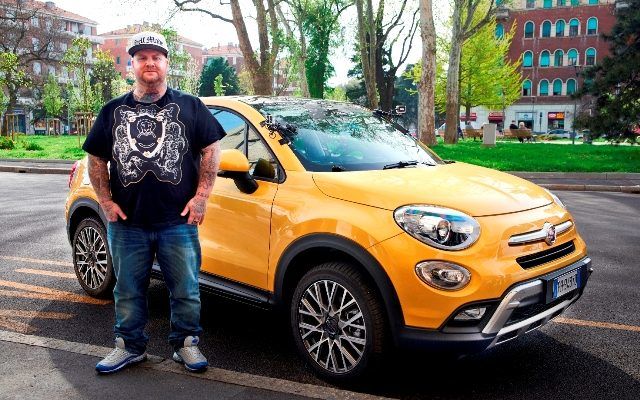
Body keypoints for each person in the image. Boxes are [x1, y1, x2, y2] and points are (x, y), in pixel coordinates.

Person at [82, 31, 225, 374]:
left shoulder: (190, 106)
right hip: (127, 223)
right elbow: (96, 157)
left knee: (186, 290)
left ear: (166, 64)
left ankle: (186, 344)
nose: (150, 63)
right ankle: (129, 347)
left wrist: (202, 197)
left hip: (178, 221)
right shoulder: (113, 110)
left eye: (156, 57)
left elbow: (211, 149)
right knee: (127, 291)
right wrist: (105, 201)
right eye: (142, 57)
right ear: (131, 65)